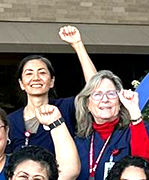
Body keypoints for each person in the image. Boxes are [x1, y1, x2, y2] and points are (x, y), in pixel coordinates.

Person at [5, 25, 97, 158]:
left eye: (42, 72)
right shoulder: (10, 121)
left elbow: (95, 90)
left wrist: (77, 44)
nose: (36, 78)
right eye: (29, 73)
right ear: (21, 84)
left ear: (52, 81)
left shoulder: (65, 108)